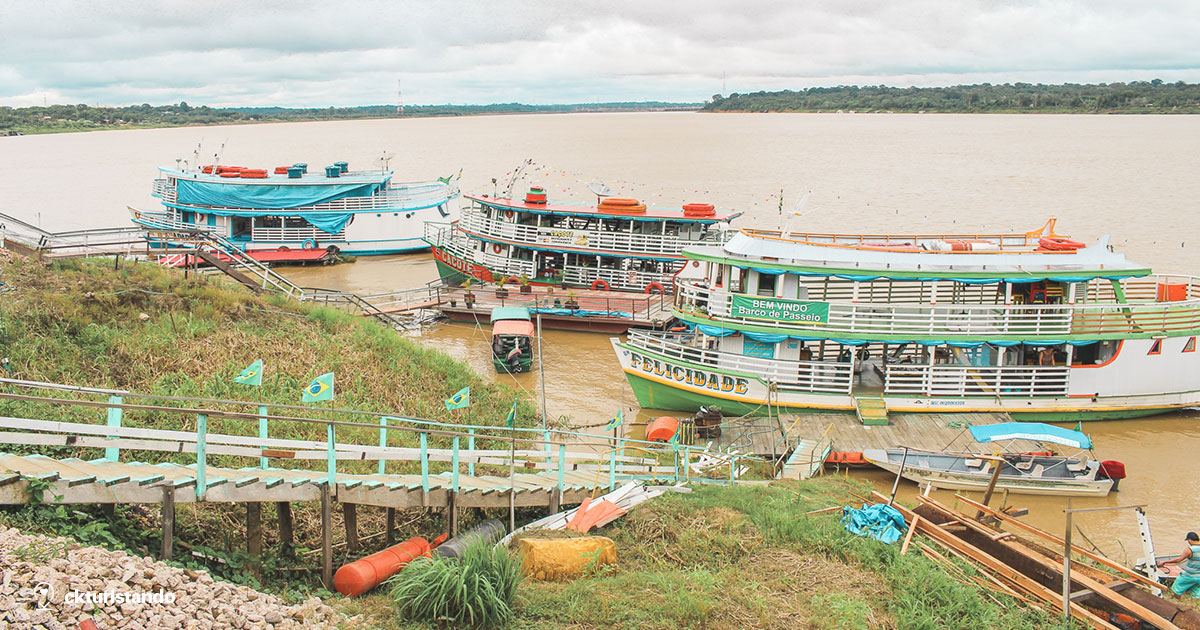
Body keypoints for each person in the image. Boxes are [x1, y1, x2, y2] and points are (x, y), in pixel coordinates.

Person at [1158, 532, 1200, 598]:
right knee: (1196, 593)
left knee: (1177, 587)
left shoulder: (1189, 550)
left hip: (1189, 575)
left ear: (1189, 540)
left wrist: (1164, 562)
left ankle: (1176, 603)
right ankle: (1194, 607)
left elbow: (1179, 560)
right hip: (1199, 577)